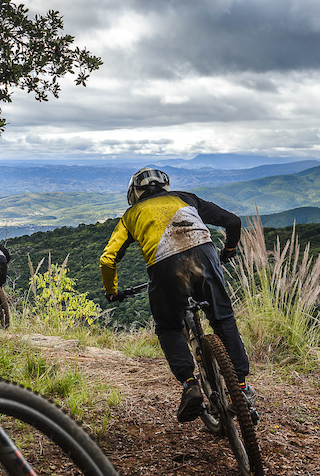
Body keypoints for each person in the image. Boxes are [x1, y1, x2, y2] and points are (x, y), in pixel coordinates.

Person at [99, 167, 255, 423]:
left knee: (169, 328)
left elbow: (108, 259)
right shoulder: (186, 198)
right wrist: (229, 249)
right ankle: (240, 386)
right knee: (223, 318)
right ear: (165, 186)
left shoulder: (130, 215)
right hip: (204, 256)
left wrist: (112, 291)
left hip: (165, 267)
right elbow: (233, 221)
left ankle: (190, 383)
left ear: (134, 193)